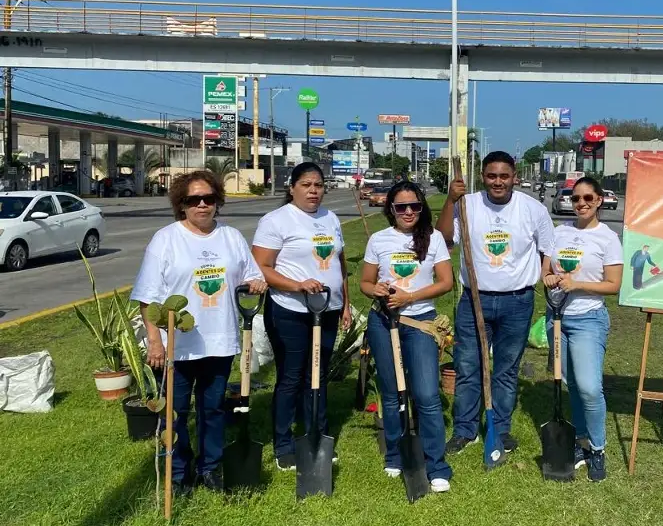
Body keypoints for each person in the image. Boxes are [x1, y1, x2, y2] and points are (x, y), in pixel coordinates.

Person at [132, 171, 267, 495]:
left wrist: (257, 282)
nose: (202, 205)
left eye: (208, 198)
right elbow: (147, 297)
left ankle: (210, 467)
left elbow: (251, 275)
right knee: (175, 412)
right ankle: (178, 472)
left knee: (213, 408)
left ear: (217, 201)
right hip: (176, 345)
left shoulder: (231, 237)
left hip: (219, 341)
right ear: (182, 205)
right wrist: (154, 341)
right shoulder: (166, 239)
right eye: (194, 200)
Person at [436, 150, 554, 458]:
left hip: (517, 301)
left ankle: (500, 429)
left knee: (506, 368)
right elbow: (444, 237)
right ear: (483, 177)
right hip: (475, 299)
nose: (497, 182)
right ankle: (465, 430)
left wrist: (546, 279)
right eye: (491, 176)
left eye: (504, 176)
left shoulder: (533, 209)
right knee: (467, 365)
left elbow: (548, 250)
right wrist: (450, 199)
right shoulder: (467, 204)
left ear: (515, 176)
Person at [251, 162, 352, 471]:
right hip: (290, 310)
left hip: (328, 309)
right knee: (291, 378)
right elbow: (261, 268)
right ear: (292, 187)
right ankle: (283, 444)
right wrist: (297, 286)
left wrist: (345, 304)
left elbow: (341, 264)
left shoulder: (330, 217)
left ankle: (316, 434)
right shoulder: (276, 220)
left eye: (318, 185)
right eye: (306, 185)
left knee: (317, 375)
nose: (313, 191)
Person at [360, 181, 454, 492]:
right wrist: (375, 290)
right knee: (391, 393)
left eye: (415, 205)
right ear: (391, 209)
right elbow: (365, 282)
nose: (409, 211)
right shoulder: (378, 239)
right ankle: (396, 455)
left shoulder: (434, 238)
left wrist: (409, 298)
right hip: (384, 322)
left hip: (420, 324)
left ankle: (436, 463)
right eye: (402, 207)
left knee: (427, 395)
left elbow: (445, 282)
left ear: (422, 207)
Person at [540, 176, 622, 481]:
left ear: (599, 200)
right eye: (576, 199)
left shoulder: (608, 238)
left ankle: (597, 449)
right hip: (557, 318)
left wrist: (577, 284)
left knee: (589, 387)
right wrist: (547, 277)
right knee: (571, 384)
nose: (581, 204)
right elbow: (545, 270)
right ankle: (580, 441)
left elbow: (613, 285)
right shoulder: (559, 233)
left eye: (588, 198)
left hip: (588, 318)